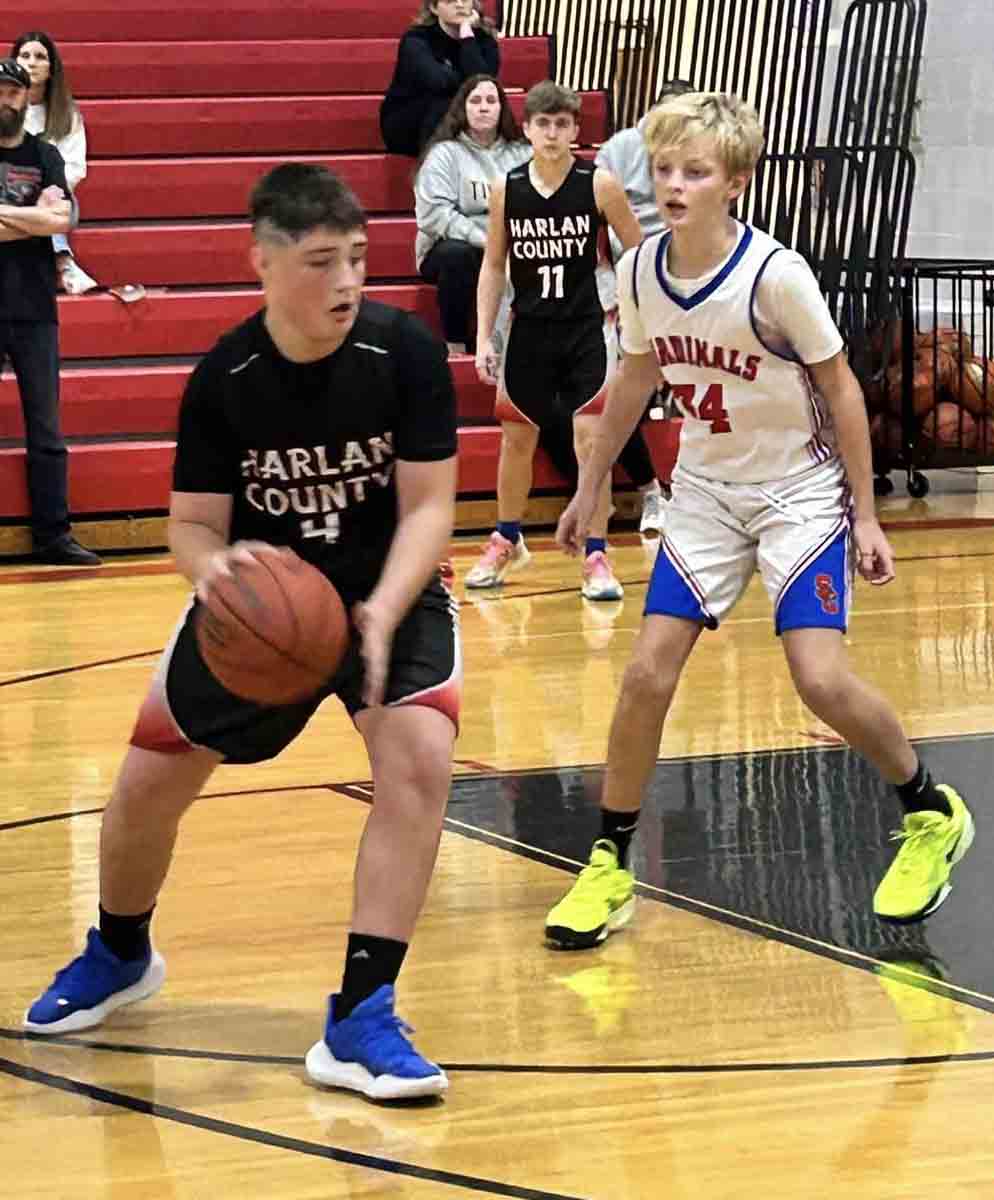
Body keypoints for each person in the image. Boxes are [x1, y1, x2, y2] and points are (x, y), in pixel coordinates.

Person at [24, 164, 460, 1102]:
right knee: (145, 789)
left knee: (420, 762)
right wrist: (216, 577)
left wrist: (381, 607)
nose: (346, 282)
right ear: (261, 263)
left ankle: (362, 1013)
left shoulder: (405, 353)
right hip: (265, 601)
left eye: (357, 259)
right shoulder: (227, 377)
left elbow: (430, 507)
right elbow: (190, 525)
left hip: (390, 585)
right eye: (319, 262)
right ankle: (120, 951)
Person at [545, 92, 973, 948]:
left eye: (693, 172)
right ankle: (608, 862)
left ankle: (929, 808)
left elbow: (842, 389)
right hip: (705, 492)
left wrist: (865, 513)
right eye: (664, 169)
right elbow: (634, 379)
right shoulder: (638, 272)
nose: (672, 185)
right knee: (644, 674)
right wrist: (590, 487)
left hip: (797, 492)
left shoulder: (776, 275)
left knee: (817, 677)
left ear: (733, 183)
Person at [469, 81, 643, 601]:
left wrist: (639, 324)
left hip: (588, 327)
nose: (552, 132)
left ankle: (595, 553)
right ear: (526, 129)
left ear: (575, 131)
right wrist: (482, 336)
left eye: (562, 123)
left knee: (591, 442)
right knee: (515, 441)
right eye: (543, 123)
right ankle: (506, 538)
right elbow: (493, 264)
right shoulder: (507, 189)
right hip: (528, 330)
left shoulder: (599, 185)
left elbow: (637, 254)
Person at [0, 56, 100, 565]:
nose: (6, 98)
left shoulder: (46, 155)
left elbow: (61, 219)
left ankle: (53, 536)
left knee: (47, 428)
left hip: (34, 307)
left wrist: (27, 218)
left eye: (13, 91)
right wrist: (32, 217)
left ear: (26, 96)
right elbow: (44, 219)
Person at [415, 73, 530, 356]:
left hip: (512, 243)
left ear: (501, 108)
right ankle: (456, 344)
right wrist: (484, 239)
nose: (483, 107)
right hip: (452, 247)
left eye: (491, 100)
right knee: (459, 255)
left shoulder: (523, 154)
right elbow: (434, 215)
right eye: (475, 100)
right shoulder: (445, 154)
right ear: (462, 109)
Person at [14, 31, 97, 294]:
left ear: (51, 69)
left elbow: (74, 168)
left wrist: (45, 188)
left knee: (51, 203)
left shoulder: (67, 115)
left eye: (40, 57)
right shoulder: (5, 108)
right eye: (25, 55)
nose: (32, 62)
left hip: (51, 195)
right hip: (7, 189)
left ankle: (63, 263)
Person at [380, 0, 499, 158]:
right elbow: (439, 82)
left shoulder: (484, 41)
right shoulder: (416, 39)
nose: (459, 4)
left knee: (488, 103)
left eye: (465, 0)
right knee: (443, 105)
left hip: (461, 117)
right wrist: (465, 80)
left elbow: (482, 84)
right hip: (409, 122)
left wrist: (467, 37)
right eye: (450, 1)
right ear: (434, 8)